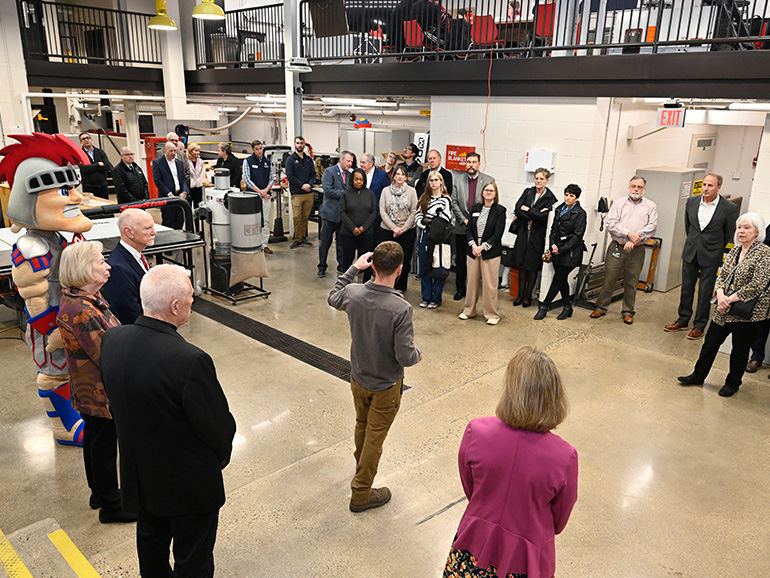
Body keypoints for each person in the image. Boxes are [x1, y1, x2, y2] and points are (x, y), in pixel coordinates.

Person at [100, 264, 236, 577]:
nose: (193, 301)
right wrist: (216, 461)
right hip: (187, 485)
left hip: (142, 477)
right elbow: (218, 428)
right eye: (190, 297)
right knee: (193, 559)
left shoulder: (113, 340)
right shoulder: (189, 360)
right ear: (175, 306)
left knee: (151, 548)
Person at [443, 345, 578, 578]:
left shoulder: (476, 431)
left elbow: (471, 488)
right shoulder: (564, 456)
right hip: (528, 557)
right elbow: (559, 520)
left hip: (474, 545)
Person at [1, 132, 93, 445]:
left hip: (67, 317)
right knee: (54, 372)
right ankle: (63, 428)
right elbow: (33, 296)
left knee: (70, 370)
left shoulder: (55, 237)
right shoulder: (31, 245)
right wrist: (51, 329)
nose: (75, 197)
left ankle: (73, 417)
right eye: (64, 190)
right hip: (50, 323)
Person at [327, 242, 423, 513]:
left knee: (362, 425)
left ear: (372, 265)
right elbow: (405, 356)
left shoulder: (354, 293)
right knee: (375, 438)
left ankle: (361, 473)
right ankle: (361, 492)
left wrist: (352, 270)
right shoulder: (400, 308)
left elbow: (333, 296)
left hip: (358, 377)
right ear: (400, 270)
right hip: (385, 386)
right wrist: (418, 355)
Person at [57, 241, 135, 524]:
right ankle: (111, 506)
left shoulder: (87, 299)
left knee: (95, 440)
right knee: (103, 446)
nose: (107, 266)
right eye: (100, 262)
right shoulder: (82, 311)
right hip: (99, 390)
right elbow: (106, 354)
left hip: (90, 388)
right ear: (83, 270)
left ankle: (99, 494)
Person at [678, 212, 770, 397]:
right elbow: (722, 276)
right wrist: (720, 295)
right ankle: (698, 375)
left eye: (747, 228)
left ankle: (733, 383)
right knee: (710, 343)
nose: (741, 231)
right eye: (740, 227)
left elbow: (759, 284)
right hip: (724, 308)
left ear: (757, 231)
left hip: (747, 312)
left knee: (740, 349)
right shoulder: (736, 250)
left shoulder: (765, 253)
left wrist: (730, 298)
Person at [664, 173, 737, 340]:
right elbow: (689, 227)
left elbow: (728, 233)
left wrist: (714, 246)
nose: (705, 188)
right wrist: (694, 243)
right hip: (691, 251)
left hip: (711, 254)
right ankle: (682, 320)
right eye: (704, 184)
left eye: (710, 185)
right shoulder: (692, 202)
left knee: (705, 292)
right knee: (686, 288)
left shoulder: (728, 208)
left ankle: (699, 325)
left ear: (719, 187)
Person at [590, 176, 658, 324]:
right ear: (629, 187)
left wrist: (636, 238)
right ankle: (601, 307)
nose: (636, 189)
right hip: (617, 247)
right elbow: (611, 224)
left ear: (644, 189)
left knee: (631, 281)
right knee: (609, 278)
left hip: (637, 250)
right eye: (633, 186)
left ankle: (628, 311)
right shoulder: (619, 203)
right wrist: (628, 234)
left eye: (639, 187)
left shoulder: (650, 206)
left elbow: (652, 227)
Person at [534, 184, 587, 321]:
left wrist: (561, 249)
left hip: (570, 253)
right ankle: (567, 307)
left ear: (577, 198)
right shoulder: (559, 209)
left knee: (557, 279)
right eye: (566, 195)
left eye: (571, 196)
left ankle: (544, 306)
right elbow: (553, 230)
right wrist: (553, 245)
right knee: (562, 280)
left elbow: (577, 236)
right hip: (557, 250)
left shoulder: (580, 213)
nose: (568, 198)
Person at [459, 181, 506, 325]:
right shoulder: (476, 207)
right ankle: (469, 310)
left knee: (490, 284)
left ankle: (491, 314)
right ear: (482, 192)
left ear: (495, 193)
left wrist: (482, 247)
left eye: (491, 190)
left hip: (490, 251)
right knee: (471, 282)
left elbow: (498, 234)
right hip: (473, 249)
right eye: (486, 190)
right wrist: (473, 245)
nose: (488, 192)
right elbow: (468, 229)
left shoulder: (500, 210)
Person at [510, 167, 557, 308]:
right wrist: (534, 213)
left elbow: (544, 217)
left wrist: (529, 210)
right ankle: (519, 295)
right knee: (522, 265)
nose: (538, 181)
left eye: (542, 178)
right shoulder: (528, 192)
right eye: (537, 178)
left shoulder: (550, 197)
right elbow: (518, 209)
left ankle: (527, 296)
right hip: (523, 234)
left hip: (537, 237)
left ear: (547, 180)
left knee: (532, 267)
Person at [451, 152, 494, 301]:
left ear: (479, 164)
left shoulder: (488, 180)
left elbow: (489, 204)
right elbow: (454, 202)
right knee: (461, 260)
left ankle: (474, 289)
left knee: (477, 261)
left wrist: (476, 222)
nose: (471, 164)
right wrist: (464, 220)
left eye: (474, 162)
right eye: (468, 162)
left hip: (480, 229)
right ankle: (460, 289)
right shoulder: (457, 180)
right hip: (462, 227)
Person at [102, 209, 156, 325]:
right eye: (148, 228)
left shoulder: (135, 255)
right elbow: (129, 315)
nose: (154, 232)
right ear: (129, 232)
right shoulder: (118, 268)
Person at [415, 170, 454, 309]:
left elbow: (445, 219)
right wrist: (426, 220)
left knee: (437, 268)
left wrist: (430, 218)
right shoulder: (423, 198)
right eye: (431, 181)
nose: (433, 183)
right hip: (424, 236)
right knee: (424, 268)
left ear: (441, 182)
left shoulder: (446, 199)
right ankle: (426, 297)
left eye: (436, 180)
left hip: (438, 238)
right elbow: (418, 217)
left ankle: (436, 298)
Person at [379, 165, 419, 293]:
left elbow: (414, 211)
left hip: (407, 231)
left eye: (403, 174)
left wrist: (403, 228)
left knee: (404, 261)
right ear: (393, 176)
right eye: (397, 174)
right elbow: (382, 211)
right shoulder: (386, 191)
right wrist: (394, 228)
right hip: (387, 230)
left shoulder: (412, 191)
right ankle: (387, 285)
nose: (400, 176)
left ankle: (400, 286)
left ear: (406, 177)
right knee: (387, 260)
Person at [318, 151, 353, 275]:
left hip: (343, 216)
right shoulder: (329, 172)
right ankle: (322, 266)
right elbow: (328, 191)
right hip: (330, 214)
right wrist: (346, 194)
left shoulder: (349, 175)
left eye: (352, 162)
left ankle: (341, 267)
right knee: (325, 243)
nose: (350, 163)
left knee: (341, 244)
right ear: (341, 160)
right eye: (348, 161)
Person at [339, 168, 378, 281]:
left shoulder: (370, 194)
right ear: (352, 180)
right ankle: (346, 283)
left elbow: (373, 212)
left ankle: (366, 284)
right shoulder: (346, 194)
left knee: (367, 260)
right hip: (348, 233)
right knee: (347, 259)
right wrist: (353, 228)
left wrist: (363, 228)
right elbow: (342, 212)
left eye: (361, 179)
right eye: (356, 179)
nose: (359, 182)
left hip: (367, 234)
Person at [242, 139, 274, 253]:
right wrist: (260, 191)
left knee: (265, 222)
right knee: (252, 222)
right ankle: (253, 244)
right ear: (253, 150)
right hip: (252, 197)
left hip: (265, 196)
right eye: (257, 149)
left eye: (261, 149)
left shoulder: (268, 162)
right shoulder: (248, 161)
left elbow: (271, 179)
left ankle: (264, 244)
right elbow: (247, 179)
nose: (260, 151)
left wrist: (265, 191)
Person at [285, 135, 316, 248]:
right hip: (297, 194)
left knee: (305, 217)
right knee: (297, 218)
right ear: (295, 144)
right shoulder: (290, 160)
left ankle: (303, 237)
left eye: (301, 143)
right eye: (297, 143)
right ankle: (298, 238)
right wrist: (302, 185)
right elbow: (290, 176)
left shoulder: (308, 160)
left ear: (304, 144)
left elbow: (313, 174)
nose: (299, 145)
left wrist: (309, 184)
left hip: (308, 193)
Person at [152, 141, 189, 230]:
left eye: (175, 151)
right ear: (165, 151)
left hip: (179, 197)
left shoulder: (179, 163)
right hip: (167, 198)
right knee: (168, 222)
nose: (173, 153)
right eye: (171, 151)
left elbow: (183, 178)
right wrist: (169, 193)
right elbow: (158, 181)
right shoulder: (157, 163)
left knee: (179, 221)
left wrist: (184, 191)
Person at [360, 152, 391, 241]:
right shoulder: (359, 174)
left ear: (371, 163)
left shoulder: (382, 175)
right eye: (360, 162)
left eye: (363, 162)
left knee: (375, 240)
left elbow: (386, 194)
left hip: (376, 215)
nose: (361, 165)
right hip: (361, 215)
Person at [78, 132, 112, 199]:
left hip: (103, 186)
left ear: (91, 140)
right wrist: (98, 164)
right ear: (81, 142)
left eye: (88, 138)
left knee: (106, 205)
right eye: (84, 139)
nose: (86, 140)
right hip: (89, 186)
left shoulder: (100, 152)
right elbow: (84, 169)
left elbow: (107, 167)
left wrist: (91, 167)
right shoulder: (79, 154)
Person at [186, 142, 205, 209]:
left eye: (198, 151)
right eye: (195, 151)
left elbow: (199, 173)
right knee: (189, 205)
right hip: (190, 186)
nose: (197, 153)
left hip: (198, 186)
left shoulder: (201, 161)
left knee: (198, 204)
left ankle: (198, 219)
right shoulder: (186, 161)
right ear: (190, 151)